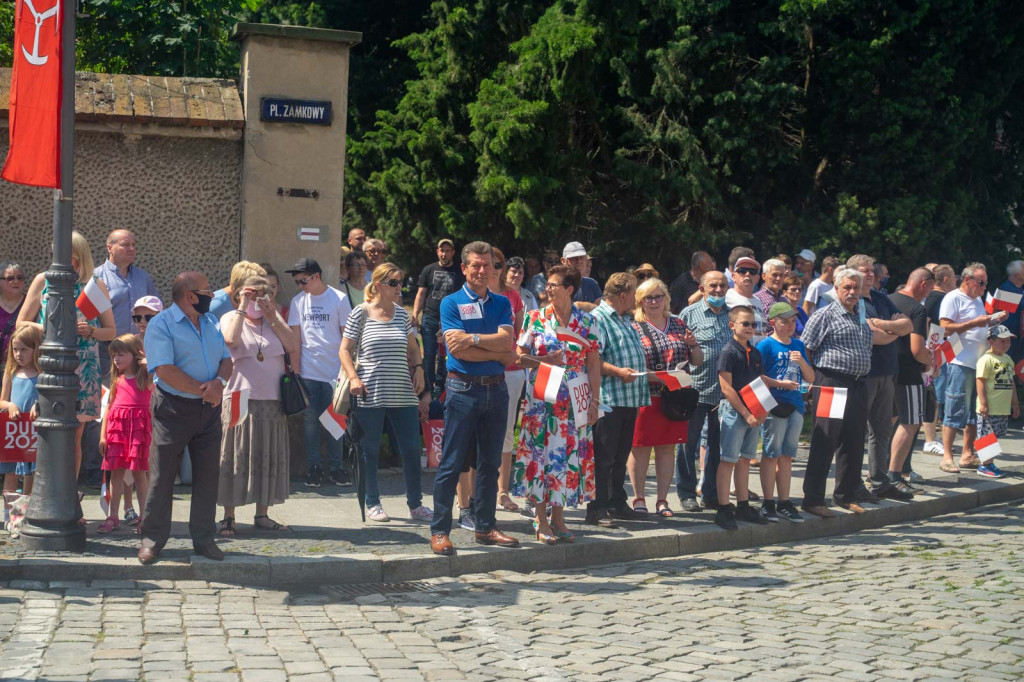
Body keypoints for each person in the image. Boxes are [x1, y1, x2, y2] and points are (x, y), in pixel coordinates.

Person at [429, 241, 519, 556]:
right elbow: (455, 349)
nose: (482, 271)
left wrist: (473, 339)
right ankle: (440, 531)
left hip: (497, 388)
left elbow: (508, 346)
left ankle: (485, 526)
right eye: (476, 265)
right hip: (462, 389)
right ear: (464, 268)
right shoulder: (451, 303)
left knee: (490, 463)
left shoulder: (502, 303)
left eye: (487, 265)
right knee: (453, 462)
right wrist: (491, 346)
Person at [139, 271, 233, 564]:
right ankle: (152, 540)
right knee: (162, 475)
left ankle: (204, 539)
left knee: (208, 476)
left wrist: (218, 383)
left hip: (209, 409)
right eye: (207, 291)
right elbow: (163, 369)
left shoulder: (211, 321)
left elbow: (226, 360)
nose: (212, 295)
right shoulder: (161, 324)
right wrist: (203, 390)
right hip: (173, 408)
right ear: (190, 296)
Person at [19, 230, 117, 487]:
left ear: (79, 256)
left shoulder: (94, 285)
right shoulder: (43, 280)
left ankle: (68, 494)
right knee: (48, 432)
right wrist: (50, 329)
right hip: (51, 363)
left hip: (85, 365)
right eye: (57, 253)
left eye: (67, 256)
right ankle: (45, 491)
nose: (60, 259)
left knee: (75, 435)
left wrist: (91, 330)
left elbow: (111, 330)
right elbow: (22, 322)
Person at [514, 264, 600, 543]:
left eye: (553, 285)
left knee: (567, 456)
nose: (547, 289)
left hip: (575, 398)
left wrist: (594, 402)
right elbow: (519, 357)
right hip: (543, 395)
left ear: (569, 289)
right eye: (547, 285)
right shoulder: (535, 318)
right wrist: (544, 361)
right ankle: (540, 520)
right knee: (541, 455)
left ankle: (559, 518)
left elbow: (594, 363)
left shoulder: (587, 322)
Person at [800, 268, 897, 517]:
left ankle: (845, 494)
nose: (853, 292)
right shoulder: (825, 315)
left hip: (858, 383)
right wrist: (813, 379)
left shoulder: (860, 315)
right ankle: (813, 499)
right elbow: (806, 348)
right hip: (832, 381)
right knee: (826, 439)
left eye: (856, 287)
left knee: (854, 440)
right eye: (848, 287)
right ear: (836, 288)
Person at [341, 263, 434, 523]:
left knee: (411, 450)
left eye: (400, 282)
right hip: (370, 391)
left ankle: (415, 504)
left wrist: (419, 370)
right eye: (393, 282)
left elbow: (413, 348)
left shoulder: (403, 316)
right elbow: (344, 350)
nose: (399, 288)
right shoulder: (360, 313)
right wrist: (353, 378)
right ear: (379, 285)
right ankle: (373, 502)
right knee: (369, 450)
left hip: (402, 392)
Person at [217, 274, 300, 536]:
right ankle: (228, 515)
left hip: (273, 399)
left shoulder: (274, 319)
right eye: (252, 294)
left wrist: (272, 316)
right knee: (235, 456)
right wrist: (243, 305)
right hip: (240, 396)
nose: (257, 300)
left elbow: (293, 346)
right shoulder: (231, 317)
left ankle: (262, 513)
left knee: (268, 456)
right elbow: (230, 341)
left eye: (263, 295)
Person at [715, 305, 796, 530]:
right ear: (732, 325)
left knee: (744, 459)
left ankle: (743, 504)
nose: (751, 328)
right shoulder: (728, 351)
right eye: (746, 324)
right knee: (728, 460)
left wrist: (763, 409)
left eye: (753, 324)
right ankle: (723, 508)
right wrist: (745, 413)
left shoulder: (755, 351)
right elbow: (727, 388)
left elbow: (758, 380)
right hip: (736, 411)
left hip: (754, 411)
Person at [627, 278, 701, 517]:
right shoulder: (634, 326)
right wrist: (661, 377)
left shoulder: (678, 323)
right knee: (640, 448)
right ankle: (639, 498)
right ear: (640, 301)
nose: (654, 302)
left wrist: (693, 345)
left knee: (667, 448)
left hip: (675, 398)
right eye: (648, 297)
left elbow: (697, 361)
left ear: (666, 299)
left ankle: (662, 501)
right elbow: (631, 366)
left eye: (658, 296)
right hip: (646, 395)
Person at [848, 254, 913, 502]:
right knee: (855, 431)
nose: (870, 274)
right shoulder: (853, 301)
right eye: (864, 271)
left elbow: (907, 325)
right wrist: (891, 329)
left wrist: (885, 326)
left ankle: (879, 481)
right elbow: (875, 336)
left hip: (888, 371)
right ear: (853, 273)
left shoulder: (880, 298)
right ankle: (853, 483)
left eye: (872, 270)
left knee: (882, 430)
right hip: (865, 373)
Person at [588, 273, 650, 527]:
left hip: (629, 398)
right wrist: (618, 372)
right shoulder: (598, 319)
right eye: (635, 293)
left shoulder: (626, 319)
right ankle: (597, 507)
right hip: (608, 398)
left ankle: (616, 501)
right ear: (623, 296)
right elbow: (593, 360)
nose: (637, 298)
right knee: (603, 456)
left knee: (621, 454)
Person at [285, 257, 353, 488]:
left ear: (316, 276)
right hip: (309, 371)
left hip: (335, 371)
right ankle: (314, 466)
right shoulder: (298, 302)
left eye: (302, 281)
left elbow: (347, 337)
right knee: (311, 421)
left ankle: (336, 467)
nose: (300, 286)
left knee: (335, 420)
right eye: (297, 282)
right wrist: (296, 371)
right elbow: (295, 338)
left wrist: (348, 371)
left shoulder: (339, 299)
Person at [938, 263, 1006, 473]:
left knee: (977, 413)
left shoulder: (977, 300)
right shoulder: (953, 298)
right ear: (967, 280)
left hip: (980, 363)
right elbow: (944, 328)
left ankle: (967, 454)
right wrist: (975, 322)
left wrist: (993, 321)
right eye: (981, 282)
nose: (984, 287)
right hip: (961, 362)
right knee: (955, 408)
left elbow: (980, 326)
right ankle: (947, 456)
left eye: (985, 283)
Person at [677, 270, 731, 512]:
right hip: (696, 389)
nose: (718, 290)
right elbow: (679, 352)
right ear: (702, 288)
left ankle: (710, 493)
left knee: (718, 446)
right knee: (687, 444)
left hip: (724, 394)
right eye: (713, 286)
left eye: (722, 286)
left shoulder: (733, 315)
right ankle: (687, 493)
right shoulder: (689, 314)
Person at [755, 303, 813, 523]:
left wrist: (801, 362)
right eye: (784, 322)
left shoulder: (798, 344)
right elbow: (757, 375)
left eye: (792, 322)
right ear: (773, 323)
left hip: (795, 405)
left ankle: (785, 501)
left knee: (787, 456)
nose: (790, 326)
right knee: (771, 455)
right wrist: (778, 384)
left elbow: (811, 378)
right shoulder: (766, 345)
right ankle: (768, 501)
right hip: (774, 405)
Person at [97, 335, 153, 534]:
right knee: (116, 474)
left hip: (137, 431)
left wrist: (147, 362)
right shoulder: (116, 380)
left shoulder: (146, 378)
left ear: (135, 355)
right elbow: (108, 410)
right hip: (117, 432)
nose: (116, 359)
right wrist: (103, 436)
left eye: (121, 354)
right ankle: (113, 515)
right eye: (114, 355)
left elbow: (159, 373)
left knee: (139, 474)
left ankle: (145, 517)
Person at [888, 268, 937, 494]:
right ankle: (894, 474)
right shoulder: (917, 308)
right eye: (930, 288)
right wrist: (929, 364)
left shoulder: (886, 300)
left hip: (886, 370)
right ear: (923, 284)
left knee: (885, 423)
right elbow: (917, 348)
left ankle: (876, 473)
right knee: (910, 422)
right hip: (908, 372)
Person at [489, 249, 528, 514]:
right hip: (478, 369)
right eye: (486, 263)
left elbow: (520, 335)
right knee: (477, 432)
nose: (492, 268)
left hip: (512, 371)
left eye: (497, 264)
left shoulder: (513, 296)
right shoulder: (467, 296)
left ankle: (502, 491)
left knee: (505, 432)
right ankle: (471, 491)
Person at [412, 239, 465, 397]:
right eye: (442, 250)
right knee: (428, 354)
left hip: (450, 319)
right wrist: (415, 314)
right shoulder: (429, 269)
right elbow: (421, 293)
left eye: (447, 251)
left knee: (444, 355)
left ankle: (440, 387)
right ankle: (426, 386)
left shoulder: (459, 271)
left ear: (453, 253)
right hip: (430, 316)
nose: (444, 254)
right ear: (437, 252)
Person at [0, 325, 41, 525]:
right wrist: (10, 405)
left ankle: (24, 514)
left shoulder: (41, 374)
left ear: (35, 349)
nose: (18, 354)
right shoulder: (11, 372)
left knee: (30, 472)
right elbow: (2, 400)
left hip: (32, 431)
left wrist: (38, 406)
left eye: (24, 349)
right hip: (14, 430)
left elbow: (44, 398)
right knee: (11, 472)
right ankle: (8, 514)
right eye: (15, 349)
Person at [922, 264, 957, 454]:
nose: (955, 281)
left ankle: (932, 437)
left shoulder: (938, 297)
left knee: (934, 396)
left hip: (939, 350)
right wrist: (928, 347)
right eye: (953, 277)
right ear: (945, 279)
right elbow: (926, 321)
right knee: (933, 396)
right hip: (935, 352)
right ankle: (930, 440)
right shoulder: (937, 298)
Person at [975, 325, 1018, 478]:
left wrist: (1015, 403)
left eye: (1008, 341)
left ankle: (989, 462)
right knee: (986, 435)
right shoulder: (986, 359)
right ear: (991, 341)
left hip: (1002, 407)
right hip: (989, 406)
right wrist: (984, 403)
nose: (1006, 344)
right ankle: (984, 464)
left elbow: (1011, 382)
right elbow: (980, 381)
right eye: (1002, 341)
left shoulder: (1008, 359)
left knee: (995, 435)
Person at [725, 255, 767, 343]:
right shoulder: (726, 297)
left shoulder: (758, 301)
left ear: (757, 278)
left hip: (757, 354)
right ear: (733, 276)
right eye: (742, 271)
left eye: (752, 272)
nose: (747, 274)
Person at [996, 260, 1024, 363]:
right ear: (1017, 275)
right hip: (1007, 339)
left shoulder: (1020, 290)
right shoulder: (1006, 288)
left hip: (1018, 340)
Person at [560, 242, 603, 306]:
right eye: (574, 258)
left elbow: (601, 310)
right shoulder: (558, 285)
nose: (579, 261)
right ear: (563, 261)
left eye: (581, 257)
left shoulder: (592, 283)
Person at [0, 262, 27, 360]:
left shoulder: (30, 303)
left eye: (20, 278)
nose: (16, 281)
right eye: (10, 278)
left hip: (23, 364)